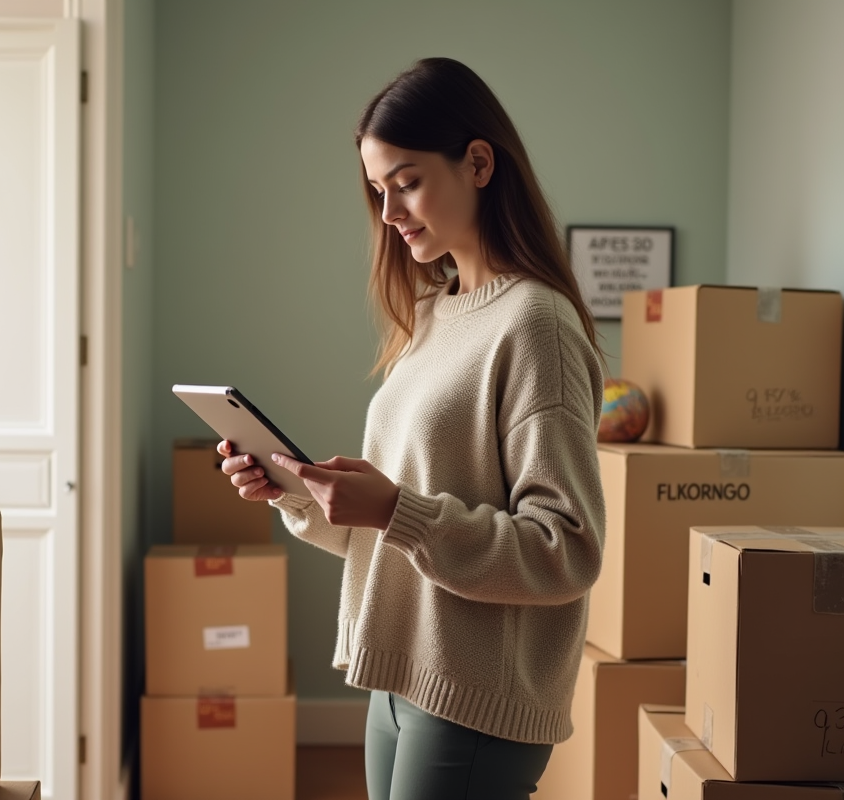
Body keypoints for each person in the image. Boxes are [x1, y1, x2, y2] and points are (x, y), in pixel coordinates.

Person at [217, 57, 606, 800]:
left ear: (479, 163)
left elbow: (567, 551)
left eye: (407, 182)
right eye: (377, 191)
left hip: (474, 699)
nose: (390, 213)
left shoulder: (535, 326)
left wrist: (396, 509)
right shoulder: (432, 315)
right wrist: (297, 494)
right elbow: (397, 529)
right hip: (399, 674)